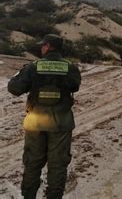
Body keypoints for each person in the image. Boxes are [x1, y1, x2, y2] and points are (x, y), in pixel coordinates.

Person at [8, 34, 81, 199]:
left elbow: (14, 88)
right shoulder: (71, 68)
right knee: (58, 164)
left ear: (47, 46)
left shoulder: (32, 67)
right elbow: (75, 86)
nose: (41, 48)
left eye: (43, 46)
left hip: (35, 122)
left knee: (32, 163)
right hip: (61, 123)